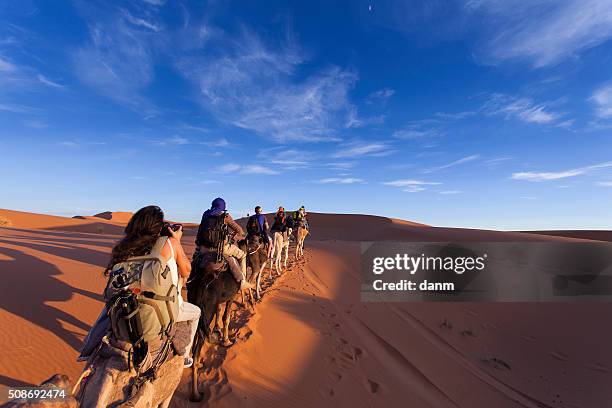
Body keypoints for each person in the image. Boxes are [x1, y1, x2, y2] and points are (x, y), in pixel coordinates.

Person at [81, 206, 201, 368]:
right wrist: (177, 241)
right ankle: (186, 355)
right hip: (162, 310)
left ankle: (87, 349)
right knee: (196, 313)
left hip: (126, 304)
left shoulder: (126, 247)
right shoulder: (170, 243)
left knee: (110, 307)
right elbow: (187, 270)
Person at [195, 197, 252, 290]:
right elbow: (240, 230)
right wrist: (237, 234)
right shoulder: (225, 216)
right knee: (242, 255)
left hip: (204, 248)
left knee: (196, 260)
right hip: (221, 248)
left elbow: (200, 230)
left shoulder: (205, 214)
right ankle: (242, 281)